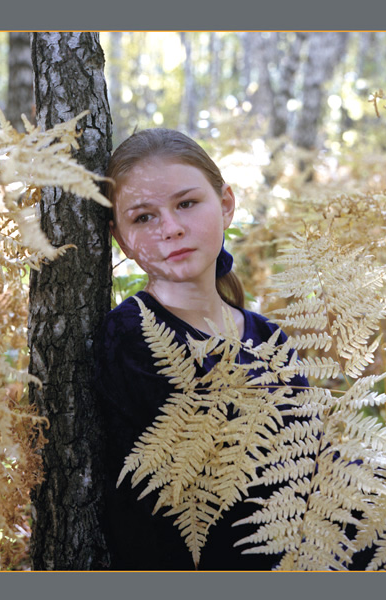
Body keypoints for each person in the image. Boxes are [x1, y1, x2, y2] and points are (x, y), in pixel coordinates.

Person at [94, 128, 309, 571]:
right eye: (144, 218)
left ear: (226, 205)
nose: (171, 229)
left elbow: (309, 465)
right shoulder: (129, 339)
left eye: (186, 204)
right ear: (120, 238)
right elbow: (226, 497)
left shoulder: (268, 337)